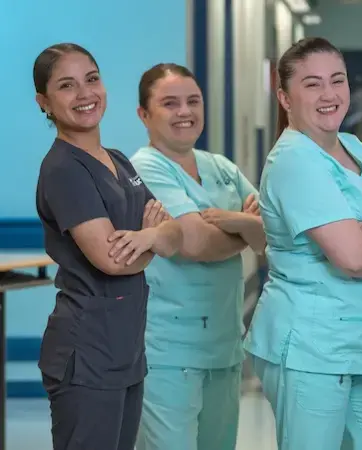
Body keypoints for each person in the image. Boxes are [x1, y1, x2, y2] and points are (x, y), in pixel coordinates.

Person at [243, 37, 362, 450]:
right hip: (311, 350)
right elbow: (352, 256)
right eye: (312, 84)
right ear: (284, 96)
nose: (329, 95)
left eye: (337, 80)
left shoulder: (354, 146)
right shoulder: (294, 159)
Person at [32, 43, 183, 450]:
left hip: (126, 350)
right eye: (67, 86)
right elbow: (112, 259)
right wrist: (150, 238)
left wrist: (148, 237)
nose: (85, 94)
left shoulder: (119, 161)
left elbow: (175, 235)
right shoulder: (63, 169)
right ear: (44, 102)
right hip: (87, 353)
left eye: (92, 79)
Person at [129, 63, 267, 450]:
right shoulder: (144, 168)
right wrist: (244, 226)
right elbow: (192, 244)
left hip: (224, 345)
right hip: (168, 351)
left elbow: (269, 233)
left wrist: (234, 224)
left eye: (193, 101)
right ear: (144, 114)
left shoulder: (220, 167)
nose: (185, 111)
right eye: (169, 103)